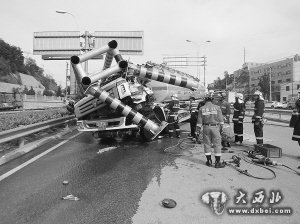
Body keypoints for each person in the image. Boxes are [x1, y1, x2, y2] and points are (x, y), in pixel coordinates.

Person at [196, 92, 225, 168]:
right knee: (217, 145)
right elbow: (221, 121)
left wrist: (197, 131)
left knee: (207, 144)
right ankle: (217, 162)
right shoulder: (217, 107)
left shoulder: (201, 108)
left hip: (206, 128)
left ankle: (209, 161)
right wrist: (221, 129)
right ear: (212, 99)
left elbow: (199, 122)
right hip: (215, 127)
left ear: (205, 100)